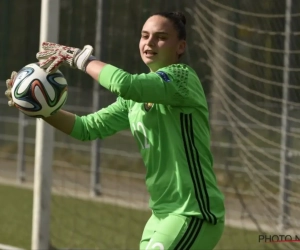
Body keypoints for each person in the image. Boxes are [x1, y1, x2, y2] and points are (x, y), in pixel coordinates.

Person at [5, 11, 225, 250]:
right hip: (161, 215)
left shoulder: (183, 78)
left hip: (194, 213)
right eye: (144, 36)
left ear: (180, 47)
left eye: (161, 37)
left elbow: (125, 84)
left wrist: (79, 58)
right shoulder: (134, 100)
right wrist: (40, 110)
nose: (149, 43)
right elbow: (86, 128)